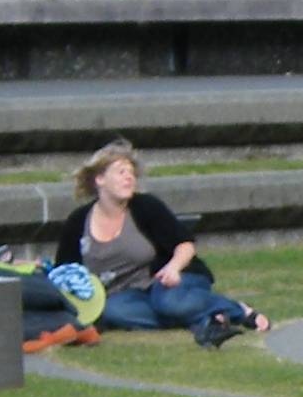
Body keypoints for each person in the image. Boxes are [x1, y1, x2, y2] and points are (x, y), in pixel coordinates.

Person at [53, 143, 269, 348]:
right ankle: (205, 317)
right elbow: (64, 271)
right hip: (127, 294)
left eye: (131, 173)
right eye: (121, 172)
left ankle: (239, 311)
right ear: (100, 179)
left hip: (170, 279)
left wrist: (173, 268)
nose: (129, 178)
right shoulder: (78, 221)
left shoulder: (146, 206)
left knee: (169, 303)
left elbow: (185, 245)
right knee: (112, 312)